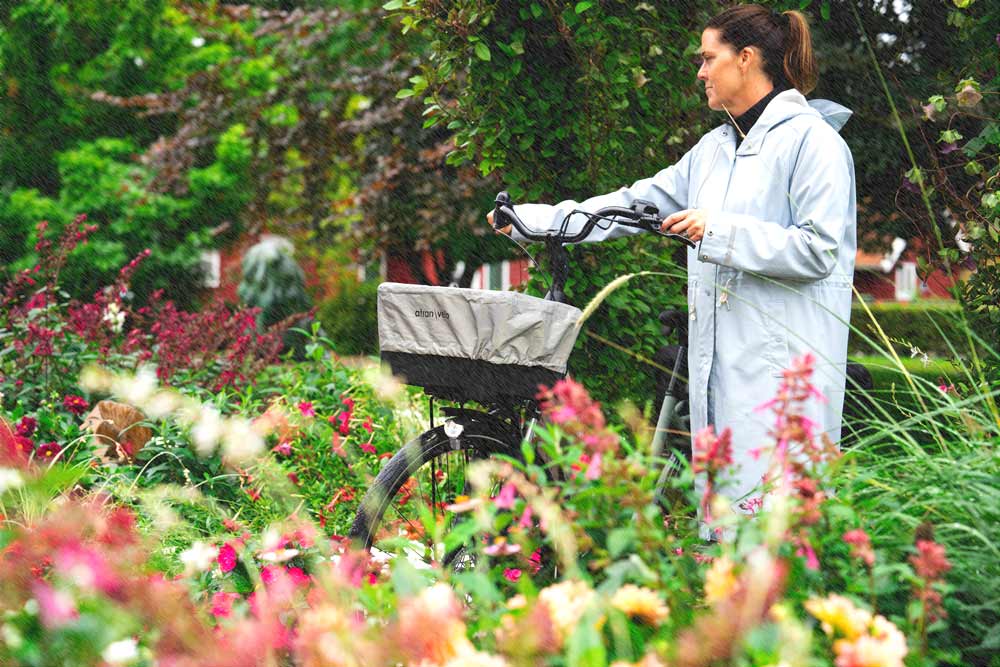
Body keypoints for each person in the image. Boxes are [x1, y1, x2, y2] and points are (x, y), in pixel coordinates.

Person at [488, 4, 856, 526]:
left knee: (778, 531)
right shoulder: (713, 151)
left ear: (746, 59)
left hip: (782, 375)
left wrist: (718, 230)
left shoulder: (814, 142)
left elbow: (820, 249)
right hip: (721, 367)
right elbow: (633, 205)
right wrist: (537, 220)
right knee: (725, 525)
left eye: (709, 58)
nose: (701, 72)